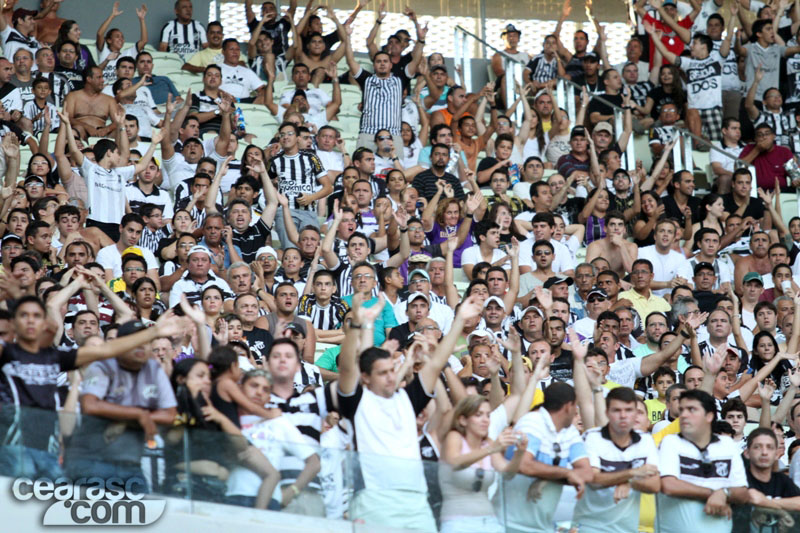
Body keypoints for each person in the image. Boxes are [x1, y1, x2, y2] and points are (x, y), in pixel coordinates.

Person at [337, 293, 481, 531]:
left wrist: (458, 321)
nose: (391, 376)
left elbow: (435, 363)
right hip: (374, 499)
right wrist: (357, 325)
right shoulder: (357, 401)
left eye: (391, 371)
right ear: (366, 377)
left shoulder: (407, 397)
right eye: (382, 373)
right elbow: (346, 367)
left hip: (416, 500)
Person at [657, 389, 749, 532]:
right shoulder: (670, 442)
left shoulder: (727, 444)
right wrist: (713, 493)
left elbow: (742, 493)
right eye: (682, 410)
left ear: (709, 416)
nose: (684, 415)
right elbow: (668, 485)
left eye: (691, 409)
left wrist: (724, 493)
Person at [573, 387, 661, 532]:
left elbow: (654, 485)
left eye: (629, 410)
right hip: (591, 526)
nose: (623, 415)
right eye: (617, 410)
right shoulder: (592, 437)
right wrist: (632, 474)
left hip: (628, 528)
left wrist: (629, 482)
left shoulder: (645, 440)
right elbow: (592, 479)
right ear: (607, 413)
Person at [439, 395, 528, 533]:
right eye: (479, 415)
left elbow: (507, 473)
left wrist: (519, 453)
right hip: (457, 522)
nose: (485, 420)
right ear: (462, 420)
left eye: (488, 415)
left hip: (489, 521)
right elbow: (454, 463)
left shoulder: (488, 443)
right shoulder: (454, 437)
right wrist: (491, 449)